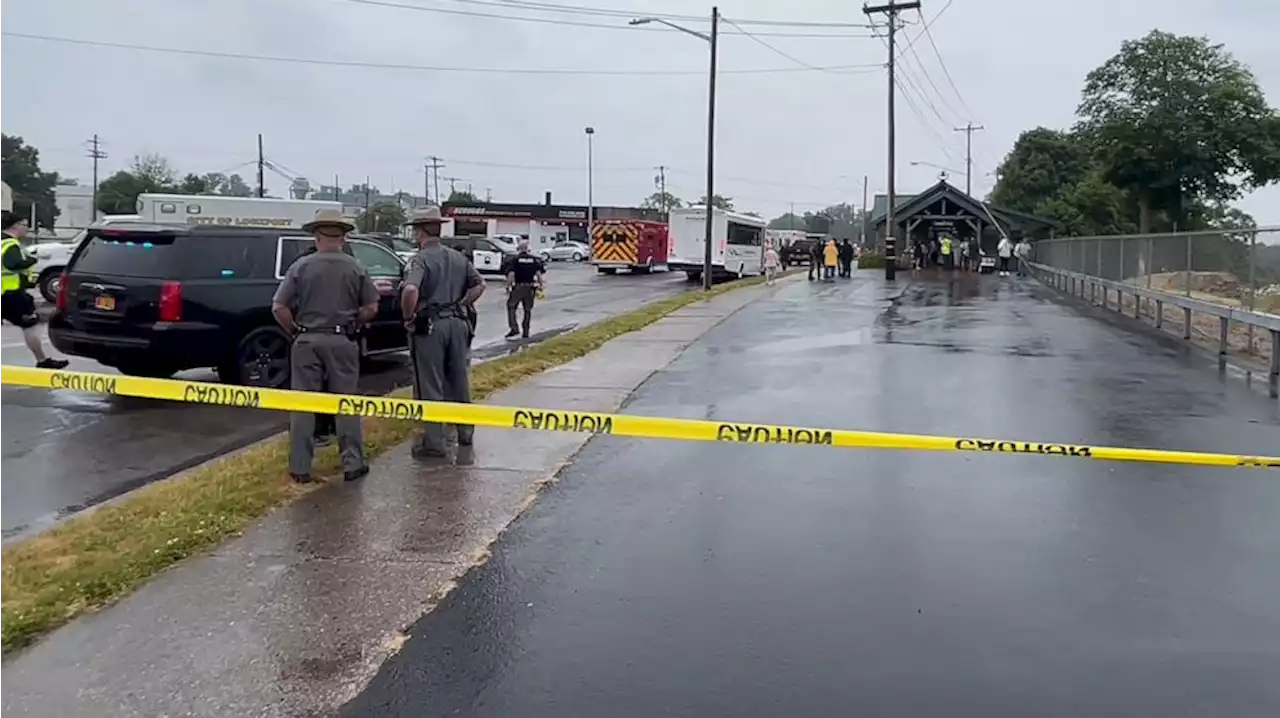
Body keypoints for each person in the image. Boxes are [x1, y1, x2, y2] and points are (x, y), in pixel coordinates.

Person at [272, 209, 378, 484]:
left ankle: (300, 467)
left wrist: (294, 330)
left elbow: (279, 306)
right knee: (345, 402)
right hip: (342, 340)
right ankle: (352, 463)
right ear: (343, 237)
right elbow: (371, 306)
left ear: (317, 235)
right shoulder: (356, 267)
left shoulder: (301, 266)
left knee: (304, 404)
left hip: (307, 340)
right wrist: (355, 321)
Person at [401, 206, 486, 460]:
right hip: (458, 324)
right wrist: (462, 304)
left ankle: (434, 443)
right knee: (459, 379)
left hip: (431, 326)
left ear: (420, 232)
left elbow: (409, 291)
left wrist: (408, 317)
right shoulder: (457, 257)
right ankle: (465, 432)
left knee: (431, 383)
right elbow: (479, 284)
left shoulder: (420, 259)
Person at [0, 212, 70, 369]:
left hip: (5, 292)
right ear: (15, 226)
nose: (27, 229)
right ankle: (42, 360)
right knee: (30, 325)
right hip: (11, 294)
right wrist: (31, 260)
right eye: (25, 225)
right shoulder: (10, 244)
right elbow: (12, 264)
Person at [504, 239, 545, 340]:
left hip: (518, 287)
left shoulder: (515, 260)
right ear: (527, 249)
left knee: (511, 306)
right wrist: (541, 285)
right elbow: (539, 274)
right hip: (530, 287)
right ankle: (526, 331)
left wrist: (508, 286)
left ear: (519, 248)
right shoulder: (534, 260)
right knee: (527, 310)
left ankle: (514, 328)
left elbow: (511, 274)